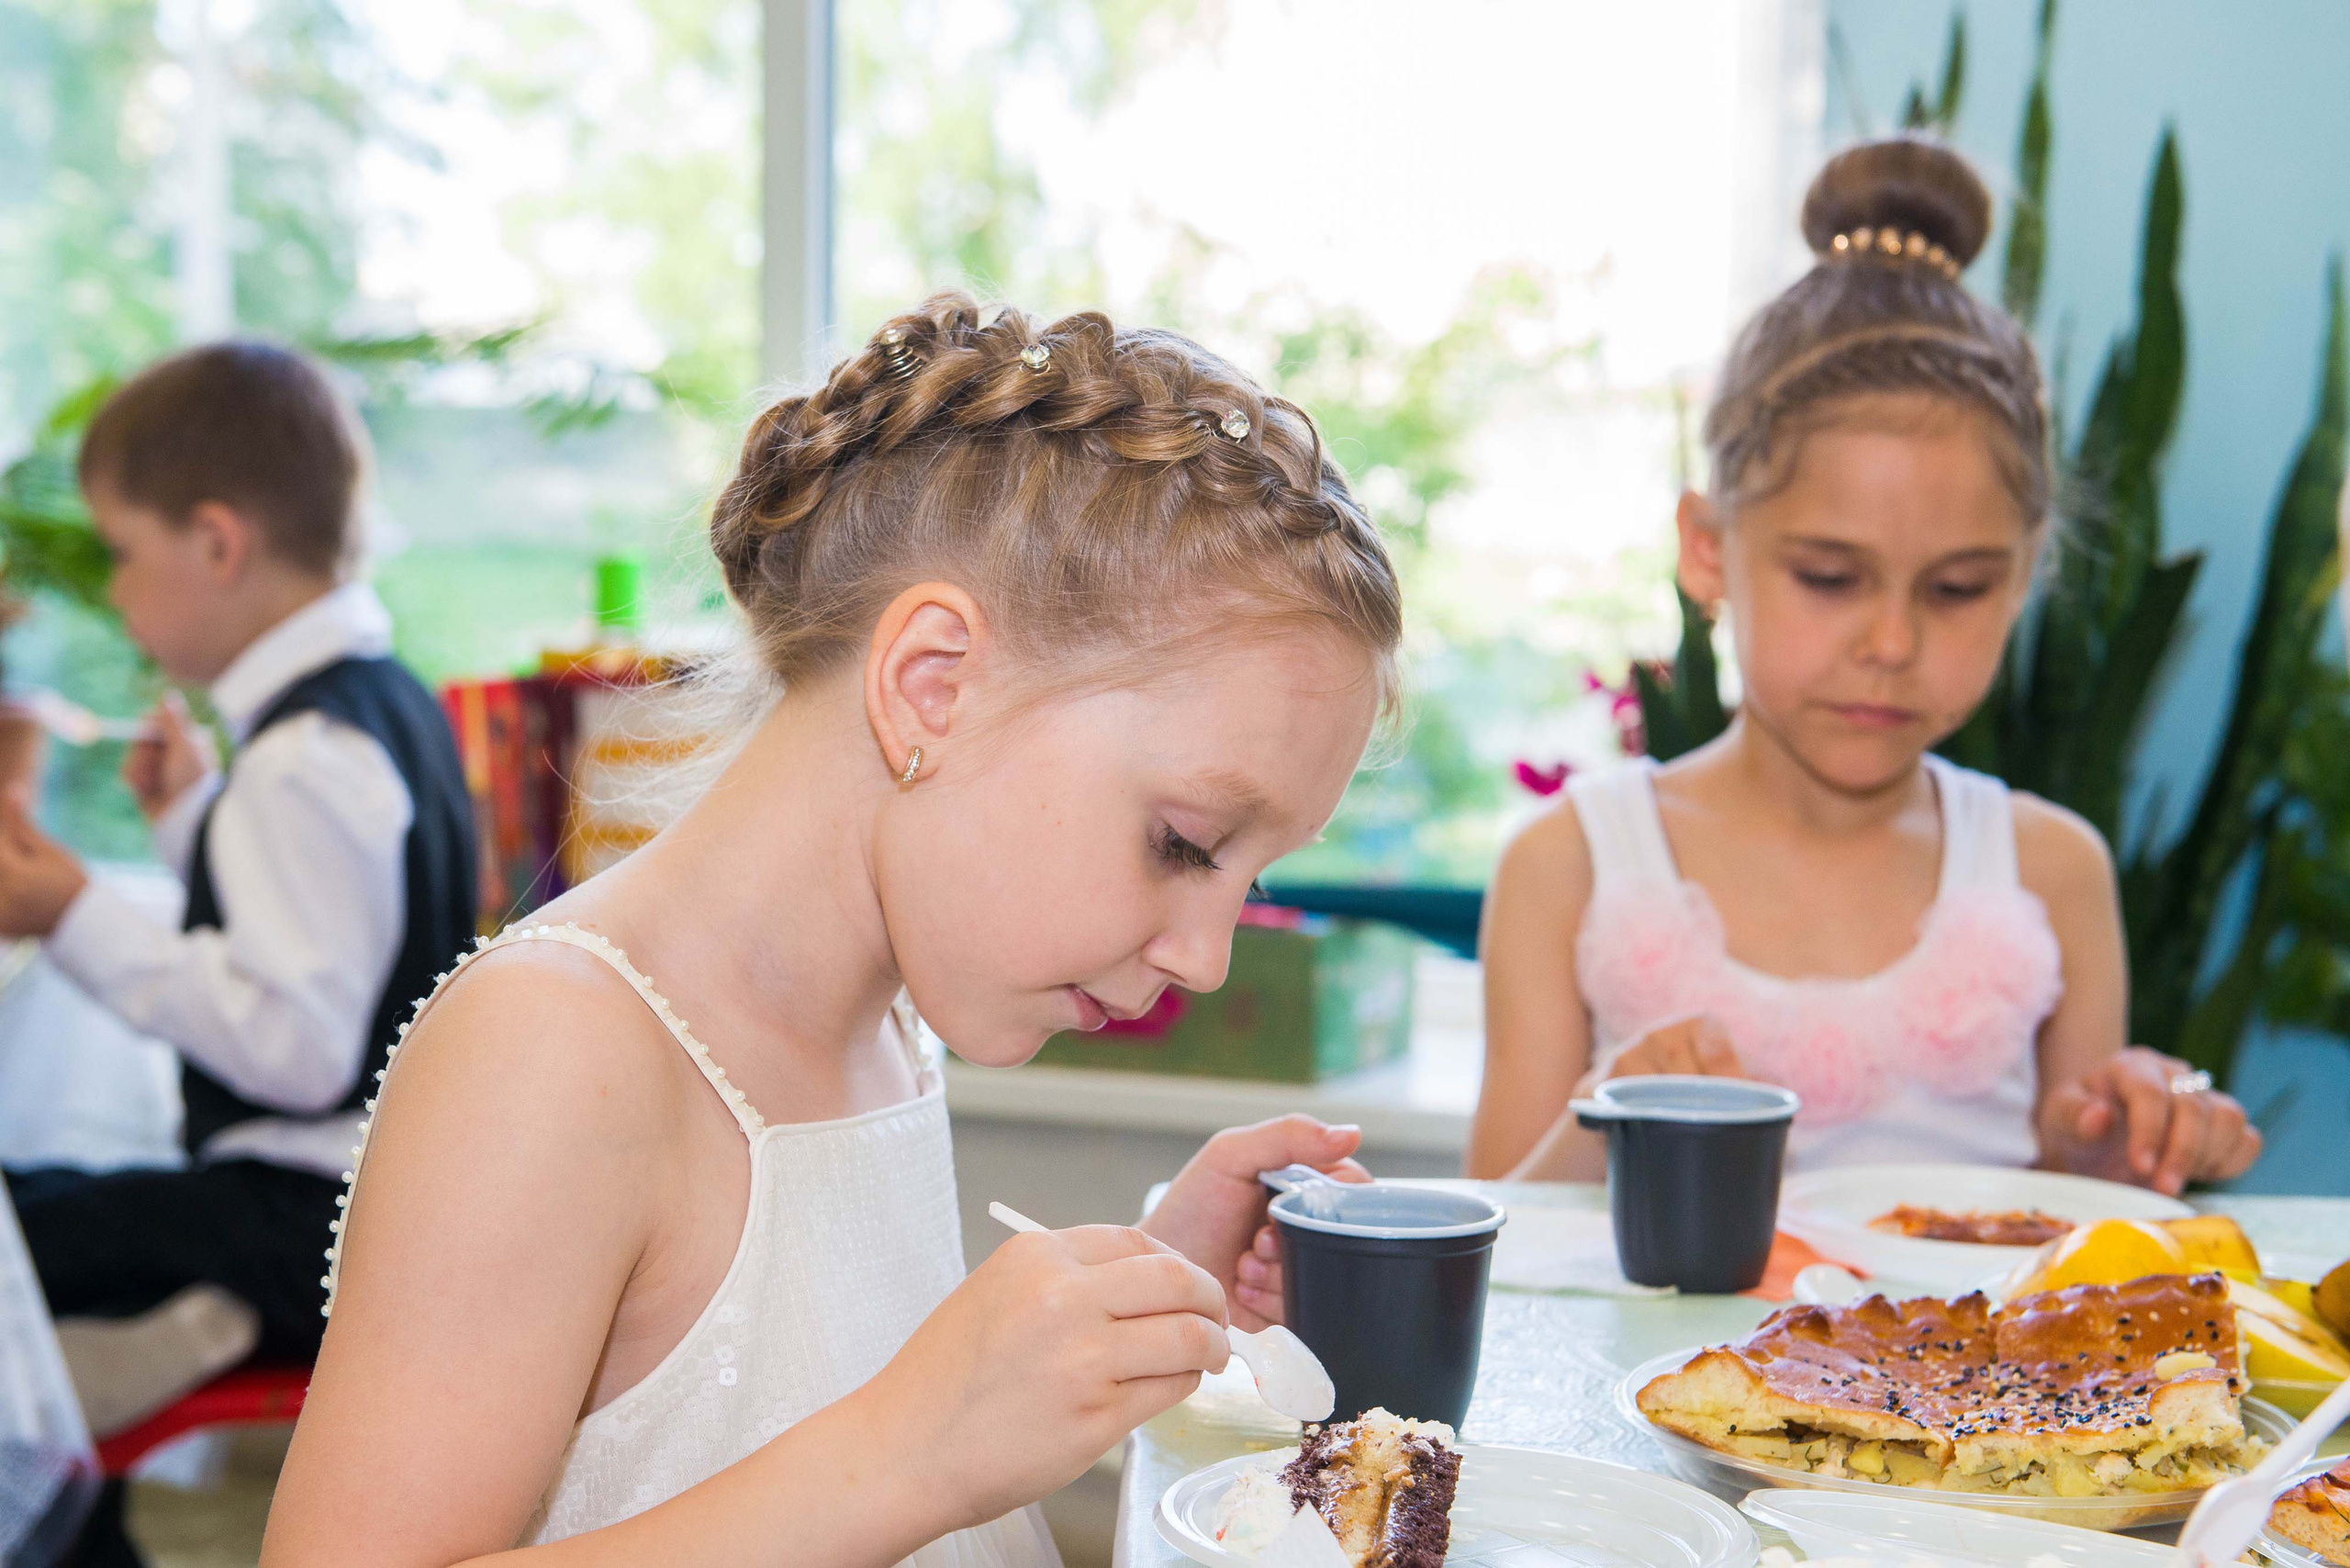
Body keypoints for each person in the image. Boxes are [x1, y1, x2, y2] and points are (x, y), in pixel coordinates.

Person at [261, 295, 1401, 1564]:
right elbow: (866, 1460)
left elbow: (761, 1406)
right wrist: (910, 1454)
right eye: (1186, 842)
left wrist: (1138, 1296)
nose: (1208, 955)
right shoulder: (553, 1053)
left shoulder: (882, 1018)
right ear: (933, 685)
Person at [1471, 138, 2262, 1193]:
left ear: (2025, 579)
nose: (1890, 644)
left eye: (1956, 589)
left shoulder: (2050, 873)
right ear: (1708, 549)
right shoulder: (1570, 866)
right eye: (1830, 577)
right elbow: (1492, 1260)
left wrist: (2118, 1150)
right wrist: (1611, 1110)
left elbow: (2079, 1249)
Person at [0, 341, 477, 1560]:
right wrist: (188, 830)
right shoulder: (381, 708)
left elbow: (301, 1047)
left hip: (294, 1228)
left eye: (121, 553)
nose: (112, 592)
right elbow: (327, 943)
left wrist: (71, 917)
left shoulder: (304, 757)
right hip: (345, 1209)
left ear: (217, 544)